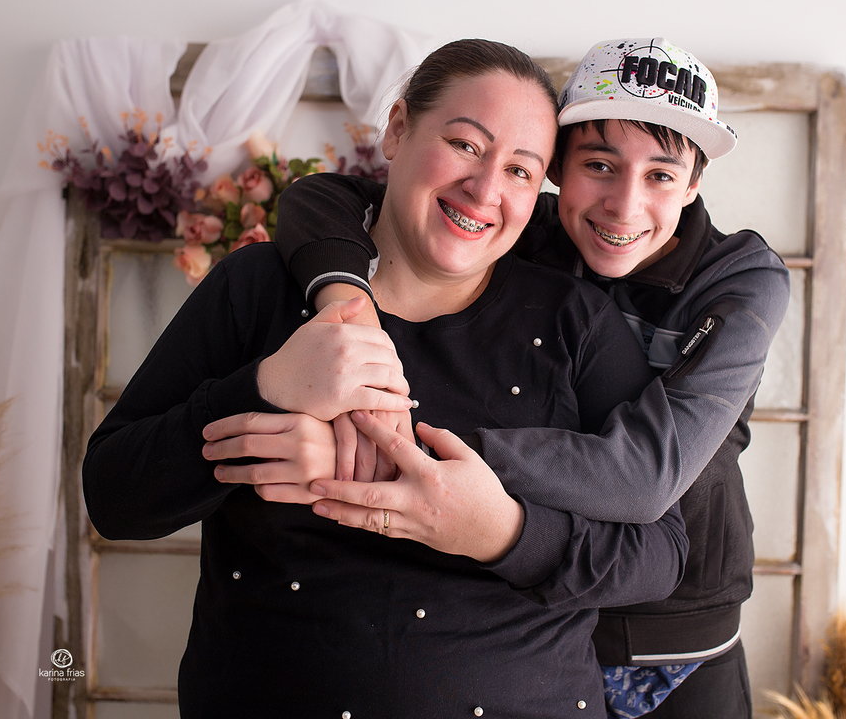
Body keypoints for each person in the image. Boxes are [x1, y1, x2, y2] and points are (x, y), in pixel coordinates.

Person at [83, 39, 688, 718]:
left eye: (521, 170)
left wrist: (502, 532)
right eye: (464, 144)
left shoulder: (576, 321)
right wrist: (266, 389)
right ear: (398, 129)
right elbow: (112, 495)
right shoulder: (258, 289)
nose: (486, 189)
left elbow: (662, 554)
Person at [271, 38, 791, 718]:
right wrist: (349, 299)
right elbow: (325, 198)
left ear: (694, 184)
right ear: (555, 171)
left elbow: (644, 474)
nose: (623, 206)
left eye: (661, 176)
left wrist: (411, 452)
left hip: (680, 626)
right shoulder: (524, 228)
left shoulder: (740, 280)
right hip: (535, 613)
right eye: (599, 166)